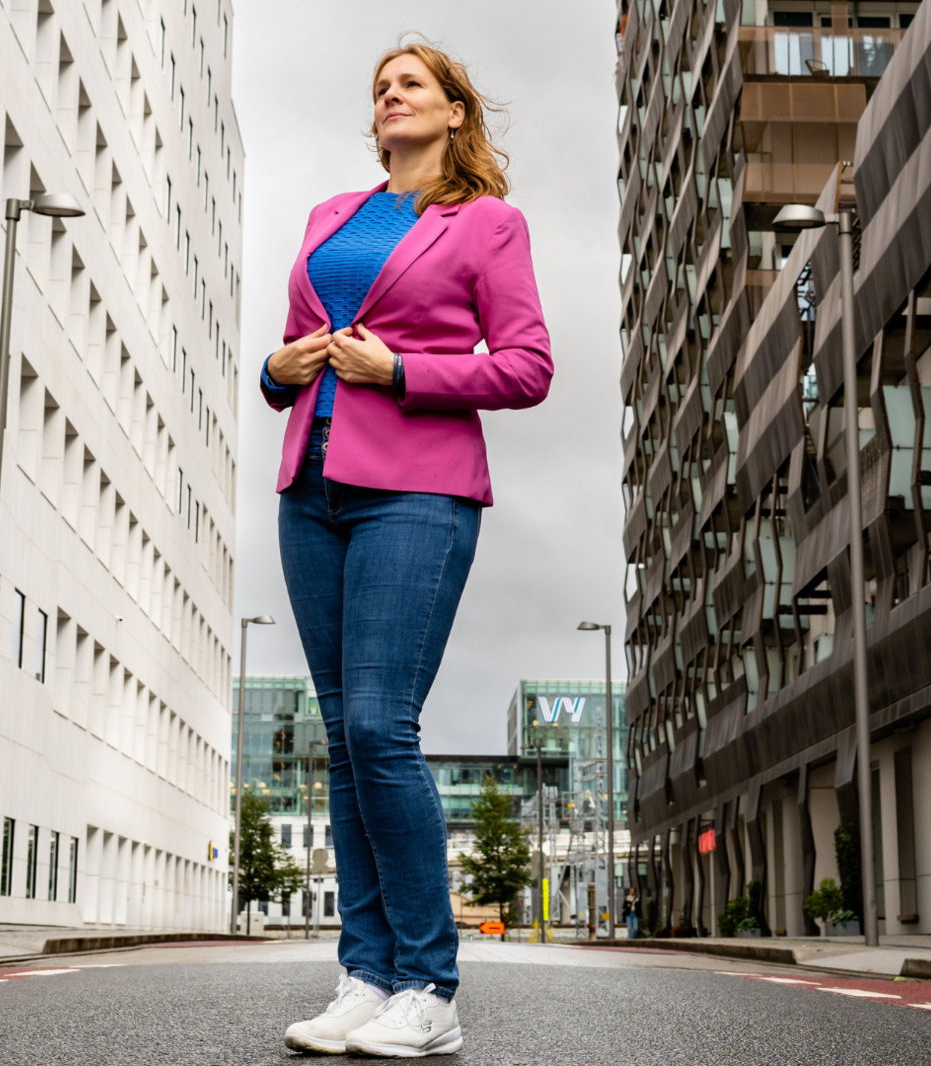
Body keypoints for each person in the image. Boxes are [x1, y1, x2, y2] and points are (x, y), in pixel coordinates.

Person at [265, 39, 551, 1058]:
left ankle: (429, 985)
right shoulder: (328, 219)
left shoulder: (485, 224)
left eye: (411, 83)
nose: (390, 95)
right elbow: (292, 355)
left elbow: (526, 368)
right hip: (313, 490)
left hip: (418, 495)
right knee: (341, 739)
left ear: (453, 111)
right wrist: (276, 364)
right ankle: (365, 973)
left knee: (382, 725)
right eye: (380, 86)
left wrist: (402, 370)